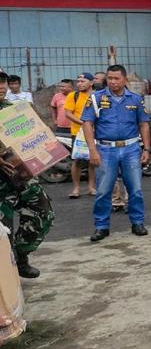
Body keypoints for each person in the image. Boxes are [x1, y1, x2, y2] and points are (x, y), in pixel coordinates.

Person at [81, 64, 151, 242]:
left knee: (135, 189)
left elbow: (144, 124)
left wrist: (147, 149)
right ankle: (101, 226)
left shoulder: (135, 99)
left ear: (125, 80)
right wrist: (92, 150)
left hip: (131, 149)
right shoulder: (96, 98)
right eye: (109, 78)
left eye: (116, 78)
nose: (112, 82)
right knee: (104, 190)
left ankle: (137, 222)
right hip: (105, 149)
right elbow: (87, 124)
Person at [0, 73, 55, 278]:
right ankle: (8, 276)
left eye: (3, 82)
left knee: (44, 213)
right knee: (2, 232)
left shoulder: (13, 110)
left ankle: (20, 256)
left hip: (22, 177)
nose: (1, 86)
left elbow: (34, 137)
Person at [65, 73, 97, 198]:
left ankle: (91, 187)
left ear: (91, 83)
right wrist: (85, 123)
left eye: (83, 81)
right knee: (77, 160)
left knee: (93, 161)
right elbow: (68, 113)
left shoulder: (97, 96)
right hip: (78, 133)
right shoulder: (73, 95)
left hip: (96, 132)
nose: (79, 84)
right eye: (78, 81)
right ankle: (76, 189)